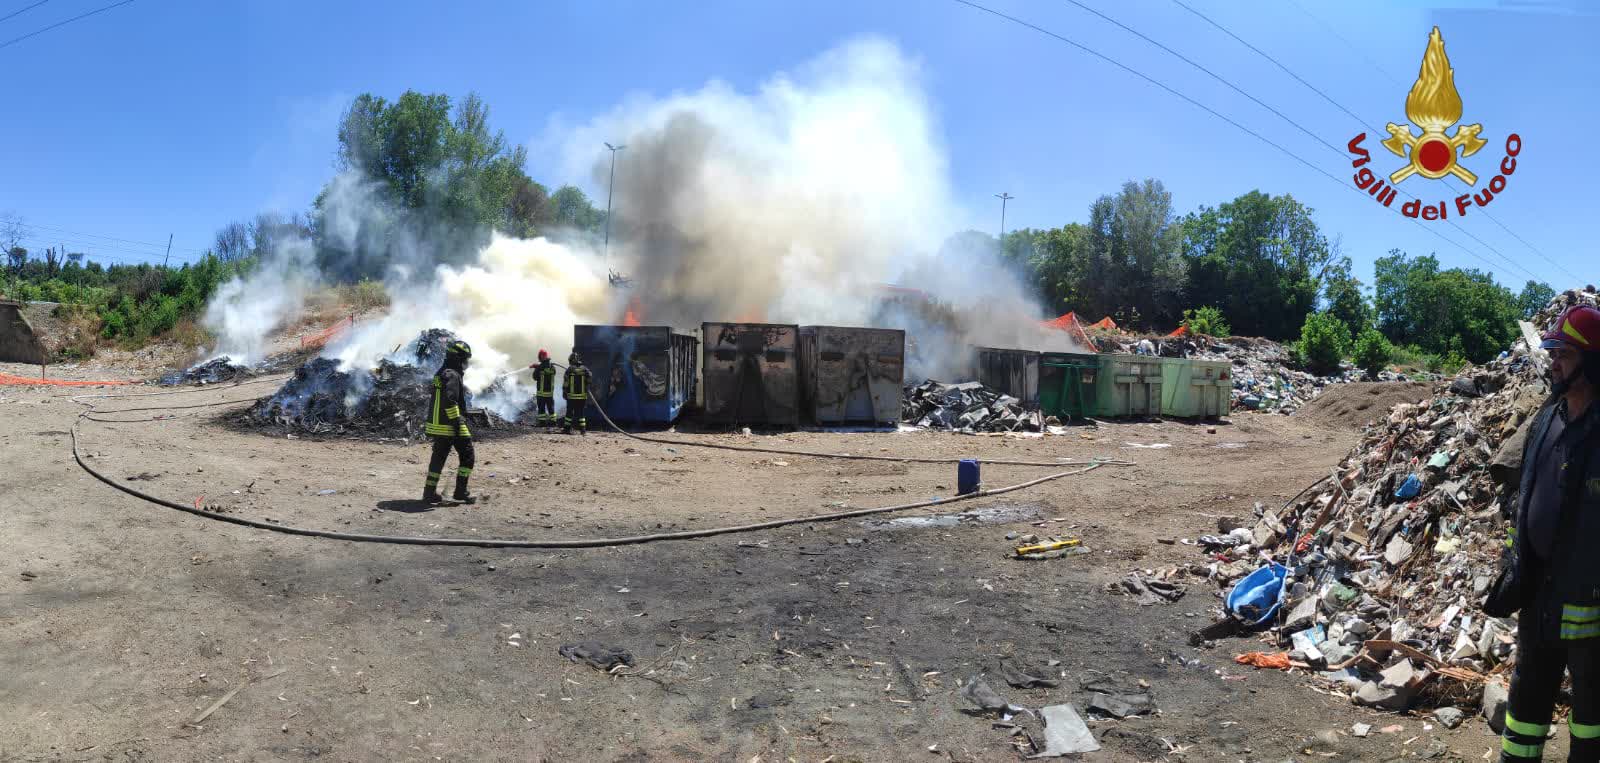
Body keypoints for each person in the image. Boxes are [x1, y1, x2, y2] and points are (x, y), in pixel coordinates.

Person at [1498, 304, 1600, 762]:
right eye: (1552, 353)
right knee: (1525, 704)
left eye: (1564, 353)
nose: (1553, 363)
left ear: (1592, 361)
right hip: (1539, 598)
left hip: (1591, 615)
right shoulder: (1546, 419)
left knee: (1592, 716)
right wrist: (1514, 562)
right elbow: (1526, 495)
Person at [422, 340, 476, 505]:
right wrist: (457, 422)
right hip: (450, 423)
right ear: (457, 358)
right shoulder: (452, 374)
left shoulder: (442, 372)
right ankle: (460, 491)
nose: (466, 362)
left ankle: (429, 492)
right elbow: (450, 401)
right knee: (468, 455)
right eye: (465, 358)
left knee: (438, 458)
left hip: (437, 423)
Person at [563, 351, 592, 435]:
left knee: (569, 413)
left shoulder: (570, 369)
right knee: (581, 413)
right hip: (582, 396)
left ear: (571, 360)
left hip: (572, 396)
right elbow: (590, 377)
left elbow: (566, 382)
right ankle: (583, 430)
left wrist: (564, 391)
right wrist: (587, 385)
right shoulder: (584, 369)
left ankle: (567, 429)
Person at [529, 349, 558, 427]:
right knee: (551, 408)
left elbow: (534, 377)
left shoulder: (539, 368)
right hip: (550, 393)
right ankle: (553, 422)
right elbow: (550, 371)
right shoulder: (552, 367)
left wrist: (536, 367)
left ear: (541, 356)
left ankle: (542, 423)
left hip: (541, 393)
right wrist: (538, 366)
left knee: (541, 409)